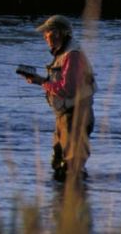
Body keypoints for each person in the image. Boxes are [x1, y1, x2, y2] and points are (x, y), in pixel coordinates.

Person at [23, 15, 96, 182]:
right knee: (59, 165)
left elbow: (68, 89)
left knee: (71, 169)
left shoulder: (72, 55)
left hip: (75, 117)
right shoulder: (64, 52)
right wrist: (41, 81)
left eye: (47, 32)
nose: (44, 36)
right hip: (64, 116)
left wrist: (42, 82)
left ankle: (75, 196)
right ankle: (63, 198)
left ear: (57, 33)